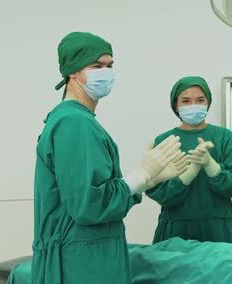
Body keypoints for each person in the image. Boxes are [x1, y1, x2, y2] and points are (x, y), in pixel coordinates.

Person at [32, 32, 188, 283]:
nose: (105, 72)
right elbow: (88, 205)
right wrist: (141, 175)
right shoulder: (74, 122)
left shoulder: (76, 120)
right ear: (73, 71)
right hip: (82, 264)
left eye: (110, 65)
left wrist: (148, 181)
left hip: (87, 256)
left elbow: (90, 195)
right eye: (96, 66)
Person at [146, 76, 232, 244]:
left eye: (200, 100)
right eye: (185, 101)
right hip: (176, 231)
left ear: (208, 103)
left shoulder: (224, 137)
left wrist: (212, 167)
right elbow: (158, 192)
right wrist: (186, 176)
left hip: (218, 230)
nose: (193, 105)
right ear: (176, 105)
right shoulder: (165, 141)